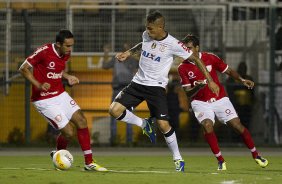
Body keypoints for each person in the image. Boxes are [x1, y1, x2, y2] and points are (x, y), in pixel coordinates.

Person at [109, 11, 219, 172]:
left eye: (151, 28)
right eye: (147, 28)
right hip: (137, 83)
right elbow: (142, 44)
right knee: (114, 110)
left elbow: (195, 59)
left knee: (163, 124)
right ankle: (144, 124)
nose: (148, 31)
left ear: (161, 27)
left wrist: (210, 80)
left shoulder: (174, 44)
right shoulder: (147, 35)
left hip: (156, 88)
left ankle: (178, 159)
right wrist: (128, 53)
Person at [19, 29, 107, 172]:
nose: (70, 49)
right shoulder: (44, 51)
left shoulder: (66, 53)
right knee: (68, 133)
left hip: (60, 94)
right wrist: (39, 85)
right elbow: (23, 69)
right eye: (67, 46)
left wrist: (67, 77)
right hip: (44, 100)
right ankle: (58, 156)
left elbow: (57, 70)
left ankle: (89, 162)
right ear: (58, 44)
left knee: (81, 120)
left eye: (72, 45)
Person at [178, 34, 268, 171]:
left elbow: (228, 70)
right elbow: (188, 92)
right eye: (185, 49)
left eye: (190, 48)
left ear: (197, 47)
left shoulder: (210, 57)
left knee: (237, 125)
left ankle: (256, 155)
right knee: (207, 125)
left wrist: (242, 80)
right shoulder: (182, 67)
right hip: (200, 102)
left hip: (219, 98)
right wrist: (198, 86)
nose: (187, 52)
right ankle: (220, 160)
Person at [101, 42, 139, 144]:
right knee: (114, 115)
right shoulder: (116, 58)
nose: (125, 49)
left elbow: (138, 71)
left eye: (127, 47)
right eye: (124, 47)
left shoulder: (134, 60)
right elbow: (104, 66)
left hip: (129, 90)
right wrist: (106, 53)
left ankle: (129, 142)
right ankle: (114, 141)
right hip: (119, 90)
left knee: (129, 116)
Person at [226, 62, 255, 131]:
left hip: (246, 107)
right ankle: (235, 140)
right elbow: (230, 92)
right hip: (236, 106)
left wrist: (252, 102)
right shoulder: (232, 79)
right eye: (241, 68)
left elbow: (252, 93)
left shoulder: (249, 78)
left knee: (246, 124)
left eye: (244, 69)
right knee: (236, 125)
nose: (242, 70)